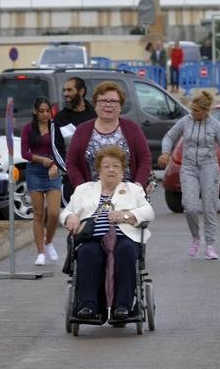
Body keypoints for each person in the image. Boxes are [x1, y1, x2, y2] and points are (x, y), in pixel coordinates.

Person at [61, 145, 154, 322]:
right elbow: (65, 213)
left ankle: (123, 306)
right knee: (87, 252)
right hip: (93, 238)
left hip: (124, 237)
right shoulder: (84, 189)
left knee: (125, 251)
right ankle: (88, 306)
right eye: (106, 166)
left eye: (116, 166)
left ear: (123, 169)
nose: (111, 170)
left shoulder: (133, 190)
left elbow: (148, 211)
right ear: (98, 169)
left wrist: (126, 215)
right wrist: (71, 217)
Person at [159, 91, 220, 260]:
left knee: (209, 207)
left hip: (209, 167)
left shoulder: (215, 125)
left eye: (197, 111)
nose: (193, 113)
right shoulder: (185, 121)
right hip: (189, 167)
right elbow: (169, 137)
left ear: (206, 111)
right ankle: (196, 238)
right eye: (192, 110)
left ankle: (210, 245)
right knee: (190, 207)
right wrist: (165, 153)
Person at [65, 81, 153, 188]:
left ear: (120, 106)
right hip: (92, 196)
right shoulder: (82, 130)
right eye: (102, 101)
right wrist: (82, 187)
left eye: (113, 101)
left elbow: (145, 159)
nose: (108, 105)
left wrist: (138, 185)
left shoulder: (132, 128)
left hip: (128, 195)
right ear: (95, 105)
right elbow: (71, 162)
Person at [20, 97, 65, 265]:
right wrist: (41, 160)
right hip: (34, 171)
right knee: (39, 214)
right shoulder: (28, 129)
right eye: (42, 111)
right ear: (35, 112)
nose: (45, 114)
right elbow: (25, 153)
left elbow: (61, 149)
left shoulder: (55, 128)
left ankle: (49, 242)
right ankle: (40, 252)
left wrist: (54, 164)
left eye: (48, 111)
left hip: (53, 171)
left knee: (54, 213)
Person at [54, 76, 97, 201]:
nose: (66, 94)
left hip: (98, 181)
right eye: (64, 90)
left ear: (81, 91)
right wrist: (71, 172)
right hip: (72, 183)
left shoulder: (95, 114)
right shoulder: (60, 118)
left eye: (69, 90)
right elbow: (56, 149)